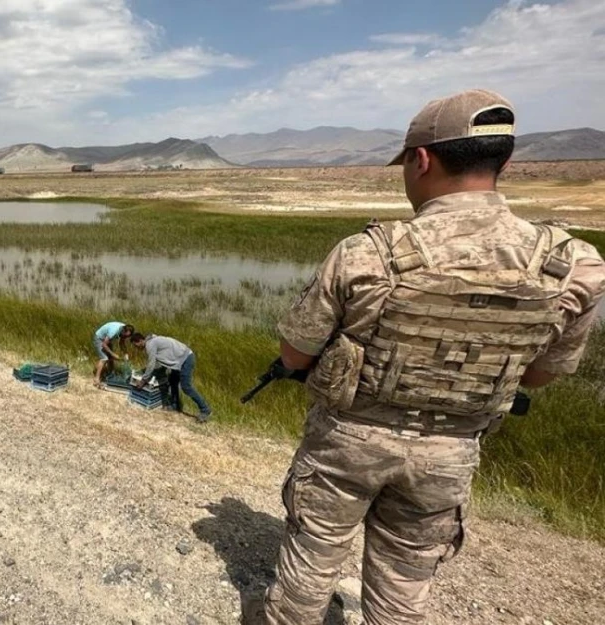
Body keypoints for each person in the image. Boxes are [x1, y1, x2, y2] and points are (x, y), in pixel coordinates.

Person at [257, 89, 605, 625]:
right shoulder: (572, 264)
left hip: (346, 444)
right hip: (451, 452)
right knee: (403, 587)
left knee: (311, 564)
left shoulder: (366, 252)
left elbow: (294, 353)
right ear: (504, 162)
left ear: (421, 159)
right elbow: (537, 377)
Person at [130, 333, 212, 422]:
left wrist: (143, 381)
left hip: (185, 359)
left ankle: (205, 409)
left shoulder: (150, 345)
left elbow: (151, 364)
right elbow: (164, 356)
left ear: (140, 341)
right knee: (172, 380)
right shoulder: (153, 340)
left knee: (186, 387)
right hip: (180, 358)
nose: (136, 348)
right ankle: (175, 405)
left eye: (135, 345)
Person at [92, 321, 133, 386]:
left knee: (110, 358)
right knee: (104, 358)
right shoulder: (114, 331)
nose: (125, 337)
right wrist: (113, 354)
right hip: (99, 339)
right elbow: (104, 345)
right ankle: (96, 379)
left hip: (107, 339)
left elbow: (121, 343)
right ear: (123, 331)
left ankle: (110, 374)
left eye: (127, 337)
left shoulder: (125, 330)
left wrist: (126, 354)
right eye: (125, 336)